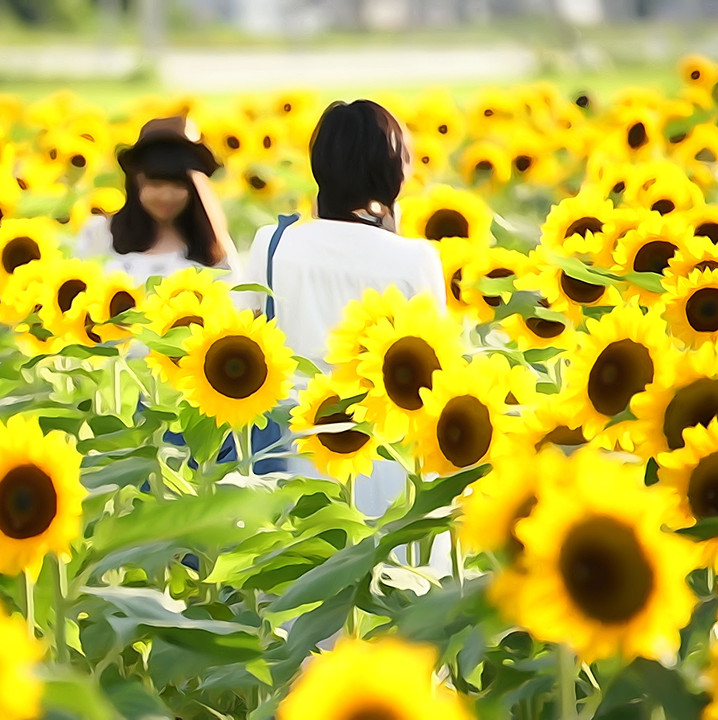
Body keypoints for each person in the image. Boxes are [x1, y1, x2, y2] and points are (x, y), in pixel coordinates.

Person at [241, 100, 449, 568]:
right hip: (387, 458)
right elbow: (438, 375)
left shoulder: (273, 246)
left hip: (294, 452)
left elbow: (242, 345)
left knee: (302, 605)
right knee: (386, 604)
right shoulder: (415, 260)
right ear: (394, 170)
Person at [75, 115, 242, 286]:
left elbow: (234, 300)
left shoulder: (213, 246)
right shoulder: (101, 234)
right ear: (136, 182)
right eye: (155, 185)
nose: (166, 196)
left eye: (178, 186)